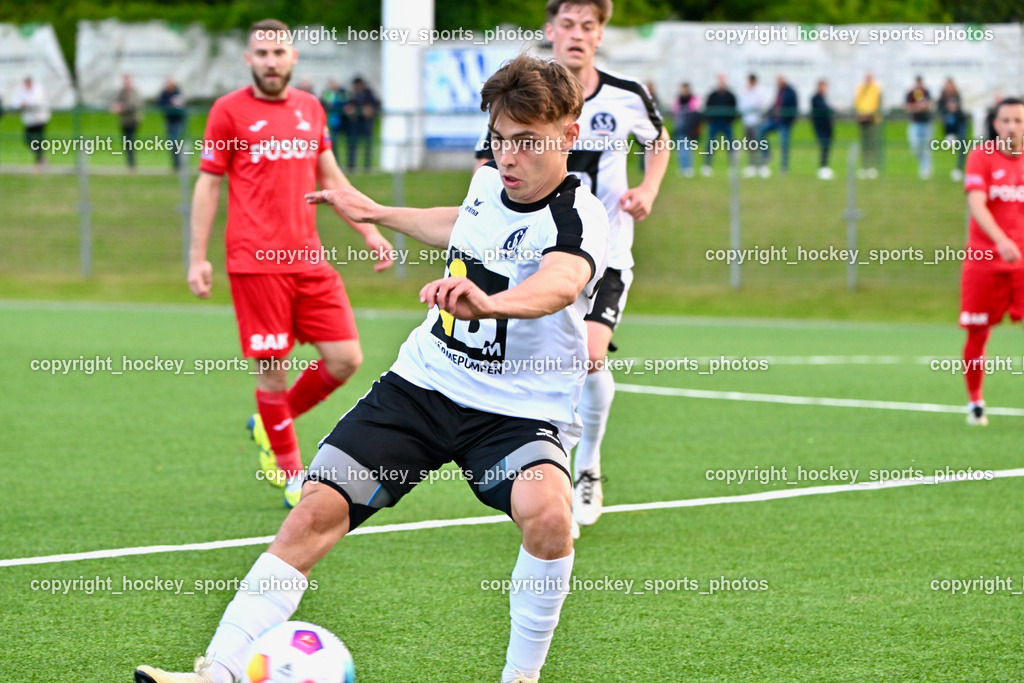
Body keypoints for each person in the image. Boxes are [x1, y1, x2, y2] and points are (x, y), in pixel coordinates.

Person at [134, 52, 609, 683]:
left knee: (550, 517)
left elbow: (557, 282)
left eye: (526, 142)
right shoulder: (489, 182)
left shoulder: (580, 217)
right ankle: (217, 671)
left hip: (516, 416)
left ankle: (520, 678)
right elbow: (462, 226)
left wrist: (490, 302)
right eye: (498, 140)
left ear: (569, 136)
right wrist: (379, 212)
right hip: (423, 386)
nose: (508, 157)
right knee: (314, 507)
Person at [476, 0, 668, 535]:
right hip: (537, 256)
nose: (577, 34)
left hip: (605, 258)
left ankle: (587, 468)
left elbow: (659, 140)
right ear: (550, 31)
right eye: (568, 24)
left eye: (589, 25)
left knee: (588, 353)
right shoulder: (524, 99)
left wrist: (647, 189)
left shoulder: (627, 96)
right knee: (542, 360)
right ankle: (546, 474)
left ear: (601, 34)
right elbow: (489, 163)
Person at [185, 19, 394, 508]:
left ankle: (269, 422)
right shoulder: (227, 112)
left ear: (293, 57)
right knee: (273, 373)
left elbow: (330, 175)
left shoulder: (310, 108)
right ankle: (292, 472)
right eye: (261, 53)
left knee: (346, 359)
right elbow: (208, 184)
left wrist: (367, 228)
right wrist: (197, 258)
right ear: (248, 59)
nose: (271, 61)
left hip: (309, 260)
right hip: (254, 264)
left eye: (279, 52)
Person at [957, 97, 1024, 427]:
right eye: (1006, 121)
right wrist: (1000, 241)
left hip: (1022, 262)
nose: (1012, 127)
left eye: (1019, 121)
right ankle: (975, 402)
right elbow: (977, 203)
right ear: (995, 124)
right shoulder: (982, 157)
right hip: (985, 259)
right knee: (978, 332)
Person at [756, 75, 797, 177]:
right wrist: (767, 113)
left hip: (784, 122)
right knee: (761, 132)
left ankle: (784, 167)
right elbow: (775, 105)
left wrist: (789, 121)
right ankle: (766, 154)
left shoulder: (791, 92)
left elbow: (793, 108)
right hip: (774, 120)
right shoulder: (779, 91)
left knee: (784, 144)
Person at [702, 73, 737, 176]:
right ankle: (707, 165)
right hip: (715, 123)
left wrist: (730, 120)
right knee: (711, 144)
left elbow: (734, 109)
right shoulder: (712, 95)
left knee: (730, 144)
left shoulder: (730, 95)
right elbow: (707, 108)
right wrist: (710, 120)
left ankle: (732, 166)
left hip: (726, 124)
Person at [11, 76, 50, 166]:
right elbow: (16, 102)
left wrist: (25, 103)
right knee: (28, 138)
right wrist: (20, 104)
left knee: (39, 139)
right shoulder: (21, 90)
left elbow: (36, 101)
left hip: (39, 119)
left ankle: (40, 160)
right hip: (29, 120)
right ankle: (40, 158)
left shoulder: (37, 89)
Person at [343, 76, 378, 171]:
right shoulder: (351, 94)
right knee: (352, 145)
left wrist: (369, 110)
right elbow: (346, 106)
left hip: (366, 123)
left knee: (367, 145)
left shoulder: (368, 94)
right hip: (354, 123)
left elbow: (374, 105)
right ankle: (351, 166)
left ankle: (367, 166)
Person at [938, 77, 968, 181]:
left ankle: (959, 169)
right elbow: (939, 110)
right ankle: (950, 136)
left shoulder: (957, 95)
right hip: (949, 126)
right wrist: (947, 110)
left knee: (962, 145)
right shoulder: (942, 97)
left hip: (960, 123)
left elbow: (960, 109)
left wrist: (955, 109)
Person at [112, 74, 144, 169]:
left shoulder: (134, 92)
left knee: (130, 141)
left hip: (133, 121)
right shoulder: (121, 92)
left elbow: (134, 105)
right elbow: (116, 102)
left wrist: (121, 108)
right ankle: (130, 163)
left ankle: (132, 164)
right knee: (126, 142)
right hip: (124, 121)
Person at [737, 73, 766, 177]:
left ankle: (763, 166)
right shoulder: (745, 91)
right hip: (747, 122)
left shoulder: (760, 91)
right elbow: (741, 105)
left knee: (760, 144)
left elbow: (760, 105)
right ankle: (752, 166)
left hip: (757, 122)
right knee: (751, 145)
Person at [905, 75, 933, 179]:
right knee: (915, 146)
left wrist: (924, 106)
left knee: (925, 146)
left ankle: (925, 169)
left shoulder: (926, 92)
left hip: (926, 123)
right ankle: (922, 164)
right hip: (915, 122)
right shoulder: (911, 93)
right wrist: (917, 107)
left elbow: (929, 105)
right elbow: (907, 107)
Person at [854, 73, 882, 179]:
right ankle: (864, 167)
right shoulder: (860, 88)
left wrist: (869, 115)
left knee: (872, 144)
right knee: (864, 144)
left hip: (872, 120)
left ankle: (872, 167)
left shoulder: (876, 89)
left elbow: (878, 105)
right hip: (862, 120)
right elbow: (857, 103)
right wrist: (859, 114)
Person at [157, 78, 187, 171]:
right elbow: (160, 104)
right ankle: (175, 164)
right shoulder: (164, 94)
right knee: (171, 142)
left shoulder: (178, 93)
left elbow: (181, 105)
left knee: (175, 141)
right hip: (169, 120)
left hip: (178, 120)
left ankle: (179, 163)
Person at [673, 82, 701, 177]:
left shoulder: (693, 99)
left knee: (687, 149)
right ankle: (682, 167)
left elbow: (695, 113)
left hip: (689, 129)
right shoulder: (679, 100)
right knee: (680, 149)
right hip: (680, 127)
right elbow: (675, 112)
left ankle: (688, 167)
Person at [810, 79, 835, 179]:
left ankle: (825, 166)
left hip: (827, 126)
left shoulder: (824, 98)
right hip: (820, 126)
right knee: (823, 146)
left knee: (827, 147)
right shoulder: (815, 98)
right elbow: (823, 109)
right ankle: (822, 167)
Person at [320, 79, 349, 164]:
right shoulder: (328, 93)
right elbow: (325, 104)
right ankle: (332, 161)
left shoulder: (342, 93)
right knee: (331, 142)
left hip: (341, 120)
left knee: (343, 142)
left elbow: (344, 103)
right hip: (330, 121)